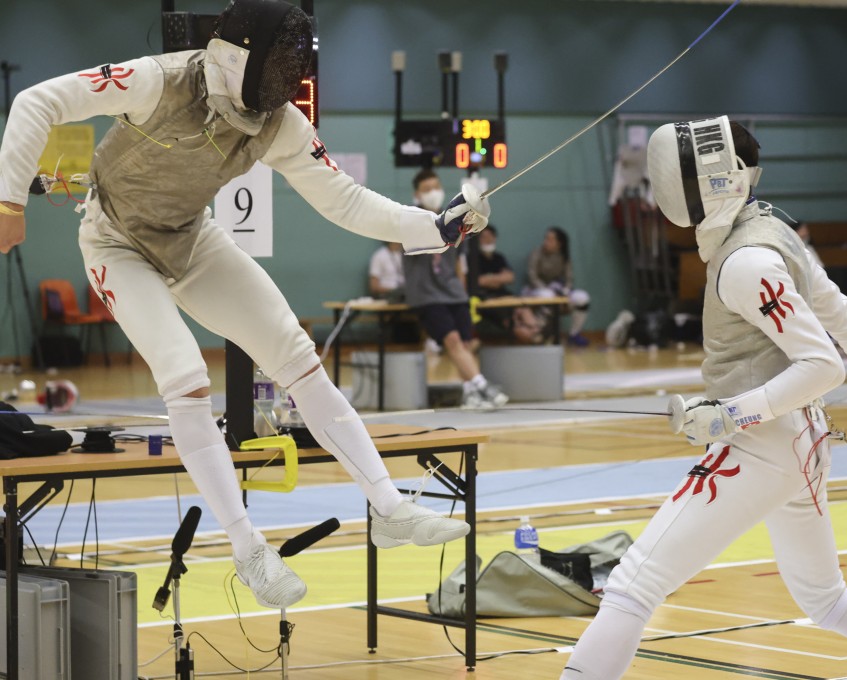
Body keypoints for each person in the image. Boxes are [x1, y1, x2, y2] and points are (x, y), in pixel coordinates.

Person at [0, 0, 490, 610]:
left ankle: (388, 506)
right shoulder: (159, 79)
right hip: (115, 242)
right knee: (184, 375)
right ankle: (247, 548)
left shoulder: (280, 123)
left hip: (192, 237)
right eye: (278, 64)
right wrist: (9, 204)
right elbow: (35, 102)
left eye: (294, 67)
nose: (286, 82)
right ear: (237, 58)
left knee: (297, 356)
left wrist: (431, 228)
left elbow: (344, 200)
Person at [561, 116, 847, 680]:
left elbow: (822, 366)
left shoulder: (748, 260)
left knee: (631, 585)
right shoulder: (772, 230)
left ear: (719, 181)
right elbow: (843, 315)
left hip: (763, 447)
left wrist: (727, 414)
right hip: (801, 445)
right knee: (827, 601)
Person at [402, 169, 508, 407]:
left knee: (466, 344)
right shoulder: (410, 218)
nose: (433, 193)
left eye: (435, 187)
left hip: (453, 292)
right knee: (452, 341)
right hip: (427, 294)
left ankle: (470, 391)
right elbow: (395, 241)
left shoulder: (452, 219)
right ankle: (482, 385)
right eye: (426, 189)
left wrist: (463, 292)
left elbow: (459, 263)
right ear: (417, 194)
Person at [463, 225, 544, 343]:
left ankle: (534, 331)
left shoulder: (498, 258)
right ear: (478, 239)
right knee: (512, 319)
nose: (487, 240)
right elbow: (478, 281)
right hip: (484, 298)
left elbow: (510, 277)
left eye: (490, 237)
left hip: (504, 295)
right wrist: (498, 278)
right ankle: (530, 337)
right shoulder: (473, 259)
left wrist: (489, 279)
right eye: (484, 237)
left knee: (523, 308)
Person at [524, 226, 591, 346]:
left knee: (582, 297)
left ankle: (574, 334)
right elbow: (532, 276)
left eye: (550, 240)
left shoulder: (564, 256)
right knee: (548, 296)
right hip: (535, 290)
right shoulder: (536, 253)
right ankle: (542, 333)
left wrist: (565, 292)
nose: (546, 242)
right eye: (546, 239)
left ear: (559, 243)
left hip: (557, 290)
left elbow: (569, 279)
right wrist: (546, 289)